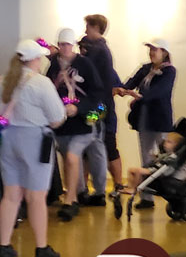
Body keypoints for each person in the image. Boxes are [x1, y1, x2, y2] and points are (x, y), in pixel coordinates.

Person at [0, 39, 66, 257]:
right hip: (34, 139)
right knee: (36, 196)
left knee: (11, 195)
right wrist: (66, 112)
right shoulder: (41, 83)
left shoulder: (2, 82)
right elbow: (56, 118)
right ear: (35, 59)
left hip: (8, 139)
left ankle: (4, 246)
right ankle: (41, 247)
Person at [46, 28, 105, 221]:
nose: (64, 48)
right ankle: (74, 193)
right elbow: (48, 89)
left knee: (72, 157)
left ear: (73, 46)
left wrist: (79, 109)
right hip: (62, 122)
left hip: (82, 123)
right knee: (68, 159)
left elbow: (96, 92)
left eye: (68, 45)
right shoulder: (54, 65)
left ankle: (70, 199)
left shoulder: (84, 64)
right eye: (61, 44)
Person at [117, 38, 176, 209]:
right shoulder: (145, 68)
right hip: (144, 119)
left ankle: (173, 194)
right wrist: (122, 88)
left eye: (155, 50)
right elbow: (131, 82)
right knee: (146, 158)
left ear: (164, 52)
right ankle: (147, 197)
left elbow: (160, 92)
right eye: (150, 49)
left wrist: (140, 98)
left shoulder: (169, 71)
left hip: (160, 120)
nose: (151, 52)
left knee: (166, 159)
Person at [78, 14, 125, 198]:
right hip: (98, 106)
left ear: (96, 27)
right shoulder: (97, 51)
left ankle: (115, 185)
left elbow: (97, 76)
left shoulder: (99, 52)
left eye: (88, 27)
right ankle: (83, 189)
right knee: (89, 149)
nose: (85, 31)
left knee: (106, 145)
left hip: (100, 107)